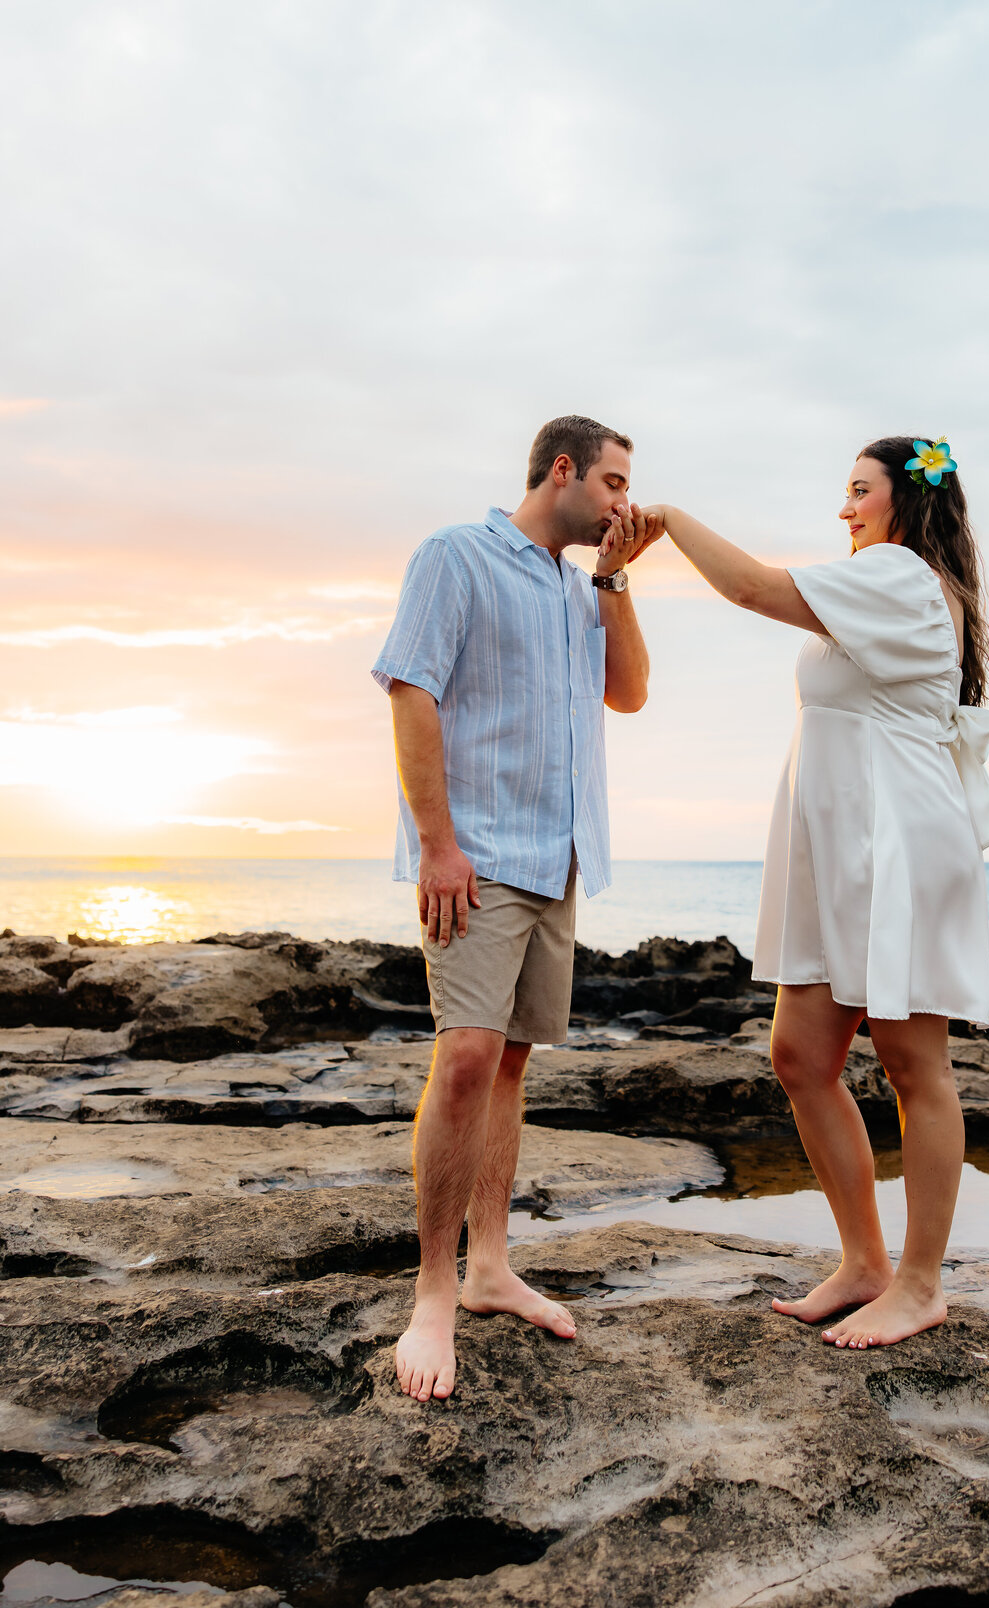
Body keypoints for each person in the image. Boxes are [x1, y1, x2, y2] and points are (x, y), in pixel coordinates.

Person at [642, 437, 989, 1349]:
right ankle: (864, 1263)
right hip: (839, 848)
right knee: (803, 1057)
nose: (844, 510)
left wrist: (671, 519)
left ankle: (920, 1284)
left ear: (902, 505)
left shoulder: (897, 575)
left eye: (858, 491)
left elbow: (752, 589)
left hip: (897, 846)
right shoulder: (883, 582)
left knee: (914, 1065)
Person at [371, 416, 655, 1402]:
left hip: (560, 857)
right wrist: (439, 846)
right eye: (614, 482)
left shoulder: (583, 590)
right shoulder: (458, 556)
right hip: (479, 854)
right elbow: (411, 692)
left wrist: (617, 577)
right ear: (562, 470)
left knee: (510, 1063)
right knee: (463, 1058)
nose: (624, 502)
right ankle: (434, 1293)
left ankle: (491, 1265)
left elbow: (629, 692)